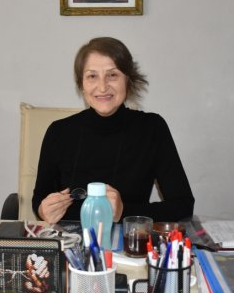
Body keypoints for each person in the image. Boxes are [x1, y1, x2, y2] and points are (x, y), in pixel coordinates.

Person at [32, 37, 195, 224]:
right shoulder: (59, 132)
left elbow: (183, 206)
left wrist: (124, 211)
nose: (102, 87)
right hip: (69, 239)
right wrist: (43, 210)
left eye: (112, 75)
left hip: (128, 239)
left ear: (128, 80)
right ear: (81, 84)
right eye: (92, 76)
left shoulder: (152, 129)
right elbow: (40, 199)